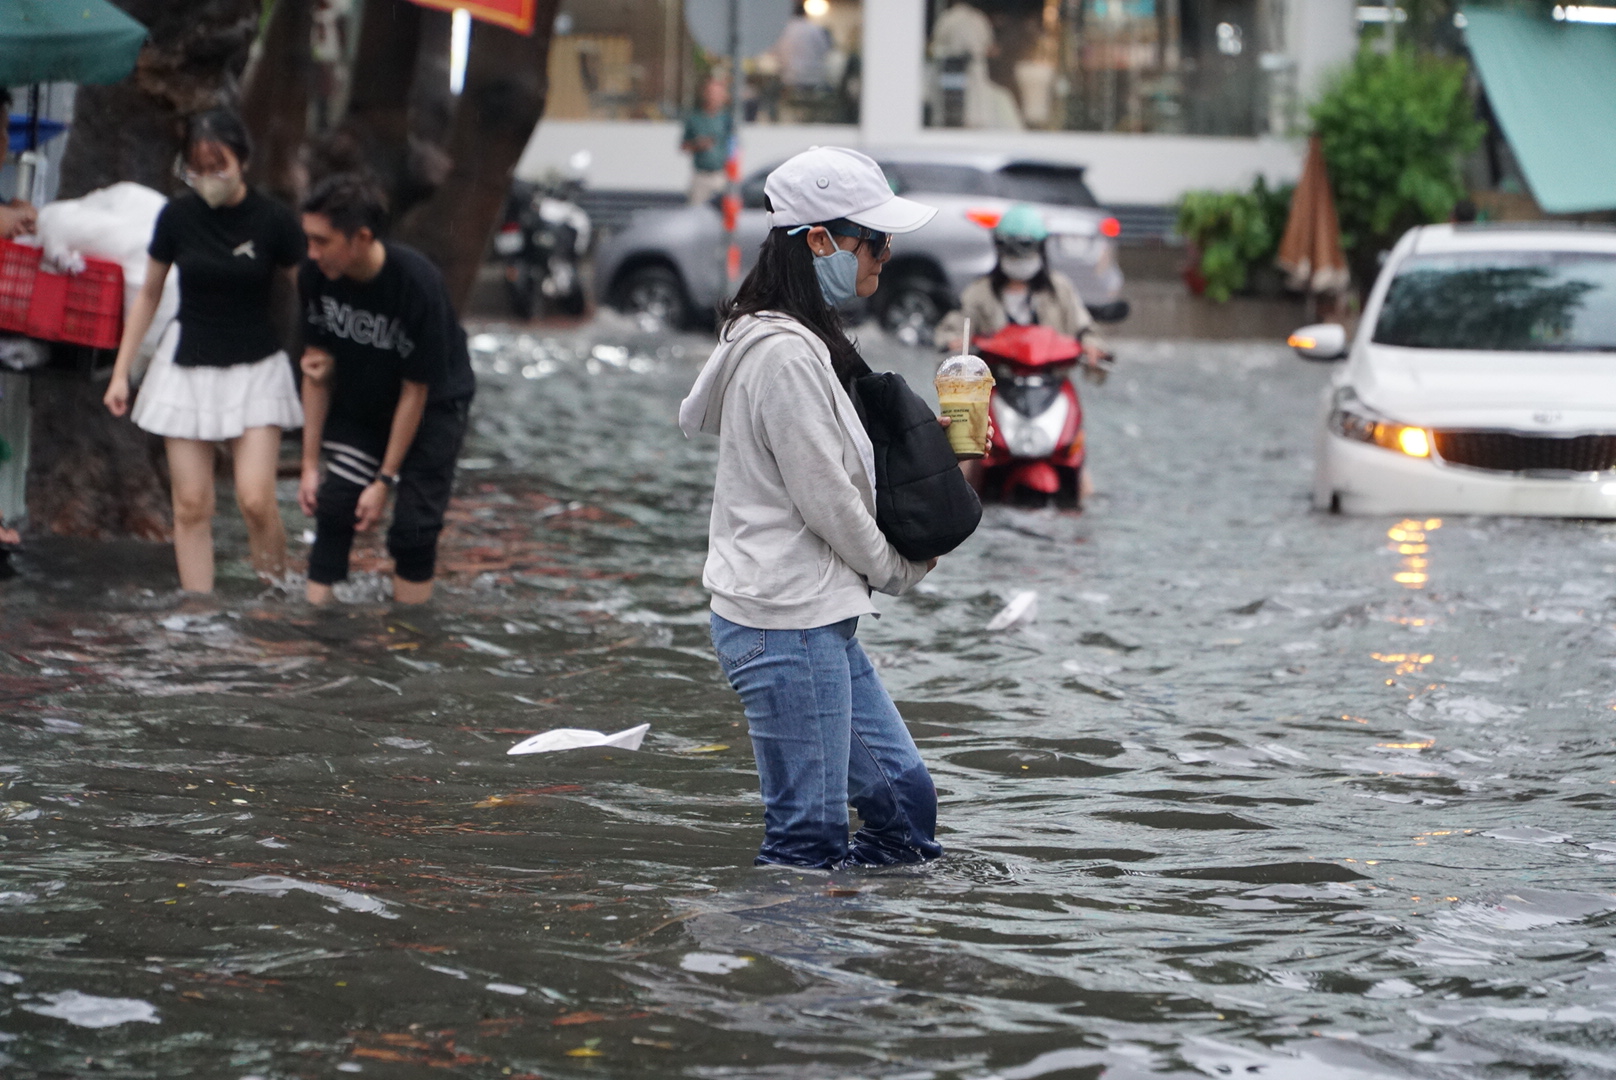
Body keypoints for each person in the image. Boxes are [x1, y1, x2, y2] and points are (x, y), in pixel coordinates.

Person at [679, 146, 946, 869]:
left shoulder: (795, 338)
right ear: (820, 241)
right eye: (876, 241)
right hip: (784, 623)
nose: (885, 258)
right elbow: (825, 497)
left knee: (902, 807)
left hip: (813, 621)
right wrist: (898, 570)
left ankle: (845, 949)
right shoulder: (784, 356)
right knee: (807, 840)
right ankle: (805, 977)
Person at [103, 108, 305, 593]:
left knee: (255, 498)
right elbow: (149, 293)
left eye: (219, 166)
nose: (208, 179)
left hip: (257, 364)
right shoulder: (177, 217)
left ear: (244, 160)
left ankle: (275, 594)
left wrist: (321, 358)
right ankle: (198, 610)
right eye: (197, 168)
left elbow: (310, 292)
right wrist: (121, 371)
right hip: (186, 364)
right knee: (191, 504)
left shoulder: (274, 220)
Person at [297, 173, 476, 606]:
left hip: (433, 405)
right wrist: (308, 463)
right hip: (364, 398)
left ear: (360, 238)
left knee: (413, 529)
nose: (311, 252)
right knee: (335, 503)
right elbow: (316, 374)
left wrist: (384, 480)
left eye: (322, 241)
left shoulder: (417, 284)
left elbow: (416, 392)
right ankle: (316, 628)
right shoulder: (317, 276)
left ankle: (408, 637)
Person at [934, 203, 1105, 355]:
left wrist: (1092, 347)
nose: (1020, 259)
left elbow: (1085, 327)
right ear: (1000, 250)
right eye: (1012, 252)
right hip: (997, 379)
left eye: (1027, 250)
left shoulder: (1059, 288)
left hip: (1051, 378)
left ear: (1040, 249)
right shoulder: (979, 292)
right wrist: (953, 343)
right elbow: (954, 327)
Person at [680, 77, 733, 206]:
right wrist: (698, 145)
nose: (714, 97)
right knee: (696, 211)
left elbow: (735, 146)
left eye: (717, 94)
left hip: (722, 175)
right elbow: (683, 146)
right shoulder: (695, 118)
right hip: (701, 176)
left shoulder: (727, 119)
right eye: (711, 93)